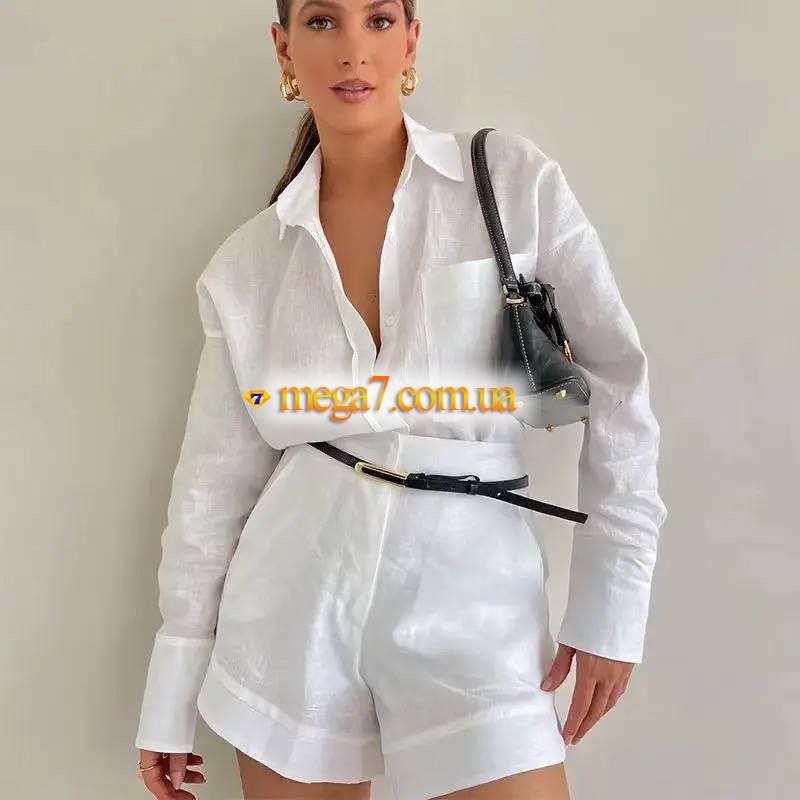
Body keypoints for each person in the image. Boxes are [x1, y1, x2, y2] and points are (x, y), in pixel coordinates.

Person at [134, 1, 668, 799]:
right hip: (290, 611)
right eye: (322, 21)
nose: (353, 48)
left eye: (379, 19)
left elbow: (620, 382)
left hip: (476, 607)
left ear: (412, 39)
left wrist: (612, 606)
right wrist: (172, 691)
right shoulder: (248, 264)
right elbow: (212, 485)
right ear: (283, 47)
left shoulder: (509, 183)